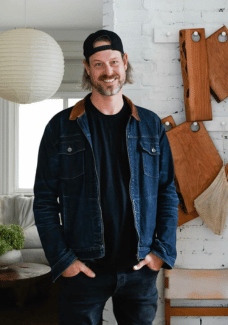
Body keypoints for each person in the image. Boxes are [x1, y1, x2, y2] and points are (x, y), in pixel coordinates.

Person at [33, 29, 179, 325]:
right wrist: (65, 260)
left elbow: (167, 192)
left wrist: (160, 254)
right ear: (87, 68)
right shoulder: (61, 127)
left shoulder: (150, 125)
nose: (107, 71)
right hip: (83, 268)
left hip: (139, 268)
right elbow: (45, 201)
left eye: (113, 62)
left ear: (124, 62)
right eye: (98, 64)